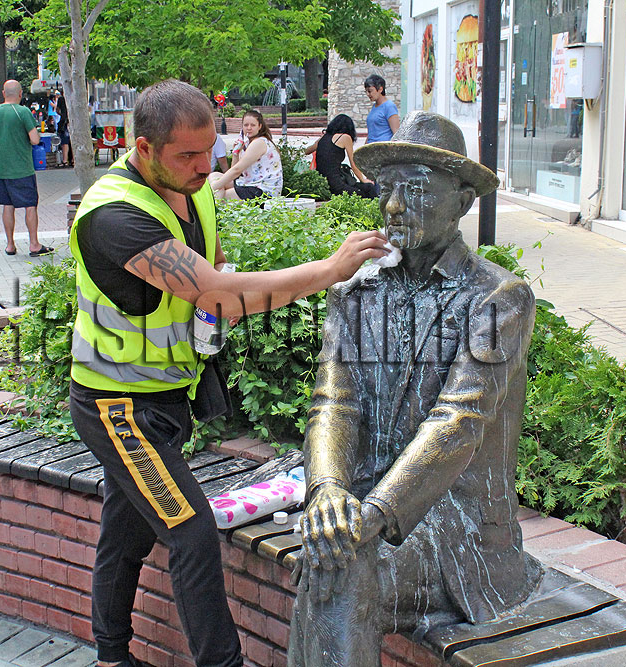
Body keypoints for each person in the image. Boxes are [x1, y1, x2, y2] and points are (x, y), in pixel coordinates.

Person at [68, 79, 387, 667]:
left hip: (163, 398)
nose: (203, 166)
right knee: (190, 532)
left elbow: (212, 275)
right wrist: (329, 269)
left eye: (209, 150)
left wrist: (215, 295)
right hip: (117, 407)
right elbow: (217, 293)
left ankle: (110, 657)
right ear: (143, 148)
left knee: (127, 529)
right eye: (187, 155)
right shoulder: (114, 215)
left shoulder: (193, 191)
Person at [288, 112, 541, 665]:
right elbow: (334, 401)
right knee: (331, 559)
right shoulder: (357, 291)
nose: (394, 206)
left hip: (457, 533)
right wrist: (327, 491)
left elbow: (458, 423)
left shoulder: (497, 299)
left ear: (463, 202)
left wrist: (369, 518)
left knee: (337, 570)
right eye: (387, 188)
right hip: (368, 510)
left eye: (417, 190)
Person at [0, 80, 53, 257]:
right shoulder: (23, 112)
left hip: (1, 170)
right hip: (22, 169)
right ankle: (34, 244)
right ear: (20, 94)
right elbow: (35, 140)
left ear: (3, 93)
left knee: (8, 206)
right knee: (30, 205)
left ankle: (10, 245)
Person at [208, 109, 282, 199]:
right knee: (214, 175)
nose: (249, 128)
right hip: (249, 183)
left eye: (253, 125)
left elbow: (237, 170)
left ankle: (214, 204)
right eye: (246, 125)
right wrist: (236, 153)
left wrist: (213, 187)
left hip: (263, 191)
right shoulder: (247, 143)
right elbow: (235, 170)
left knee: (223, 195)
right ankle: (214, 202)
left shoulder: (259, 142)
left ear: (260, 126)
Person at [304, 114, 376, 198]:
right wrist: (363, 179)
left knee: (362, 189)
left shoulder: (323, 138)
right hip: (336, 185)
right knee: (368, 189)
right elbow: (353, 164)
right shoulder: (345, 137)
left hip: (324, 183)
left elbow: (306, 151)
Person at [363, 73, 400, 143]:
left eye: (370, 91)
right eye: (366, 91)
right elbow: (371, 133)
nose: (368, 94)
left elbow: (396, 133)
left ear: (380, 89)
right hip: (371, 146)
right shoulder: (374, 107)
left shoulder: (389, 106)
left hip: (383, 147)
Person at [57, 95, 72, 168]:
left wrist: (62, 114)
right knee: (73, 141)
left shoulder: (61, 99)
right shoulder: (73, 97)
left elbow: (57, 110)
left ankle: (65, 160)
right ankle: (74, 160)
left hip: (64, 122)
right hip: (73, 121)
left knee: (64, 142)